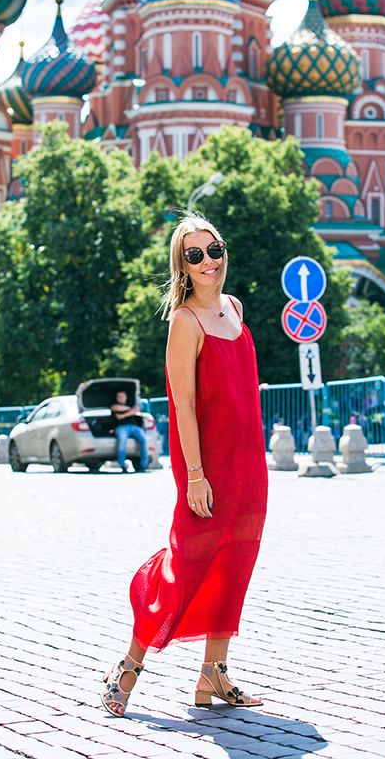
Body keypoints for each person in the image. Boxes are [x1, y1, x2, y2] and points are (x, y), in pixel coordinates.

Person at [101, 216, 268, 716]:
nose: (207, 261)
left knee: (236, 561)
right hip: (208, 465)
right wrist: (195, 475)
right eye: (193, 255)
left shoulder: (235, 309)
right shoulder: (184, 321)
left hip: (248, 461)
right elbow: (185, 405)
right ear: (183, 266)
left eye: (212, 248)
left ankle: (212, 674)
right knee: (186, 564)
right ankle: (129, 665)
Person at [110, 391, 149, 473]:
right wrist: (130, 410)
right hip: (121, 427)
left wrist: (123, 415)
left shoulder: (132, 403)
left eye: (122, 396)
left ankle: (143, 465)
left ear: (126, 397)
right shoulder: (114, 405)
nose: (121, 398)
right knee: (122, 441)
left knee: (144, 440)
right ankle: (122, 465)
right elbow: (116, 408)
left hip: (133, 426)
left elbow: (137, 409)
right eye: (119, 396)